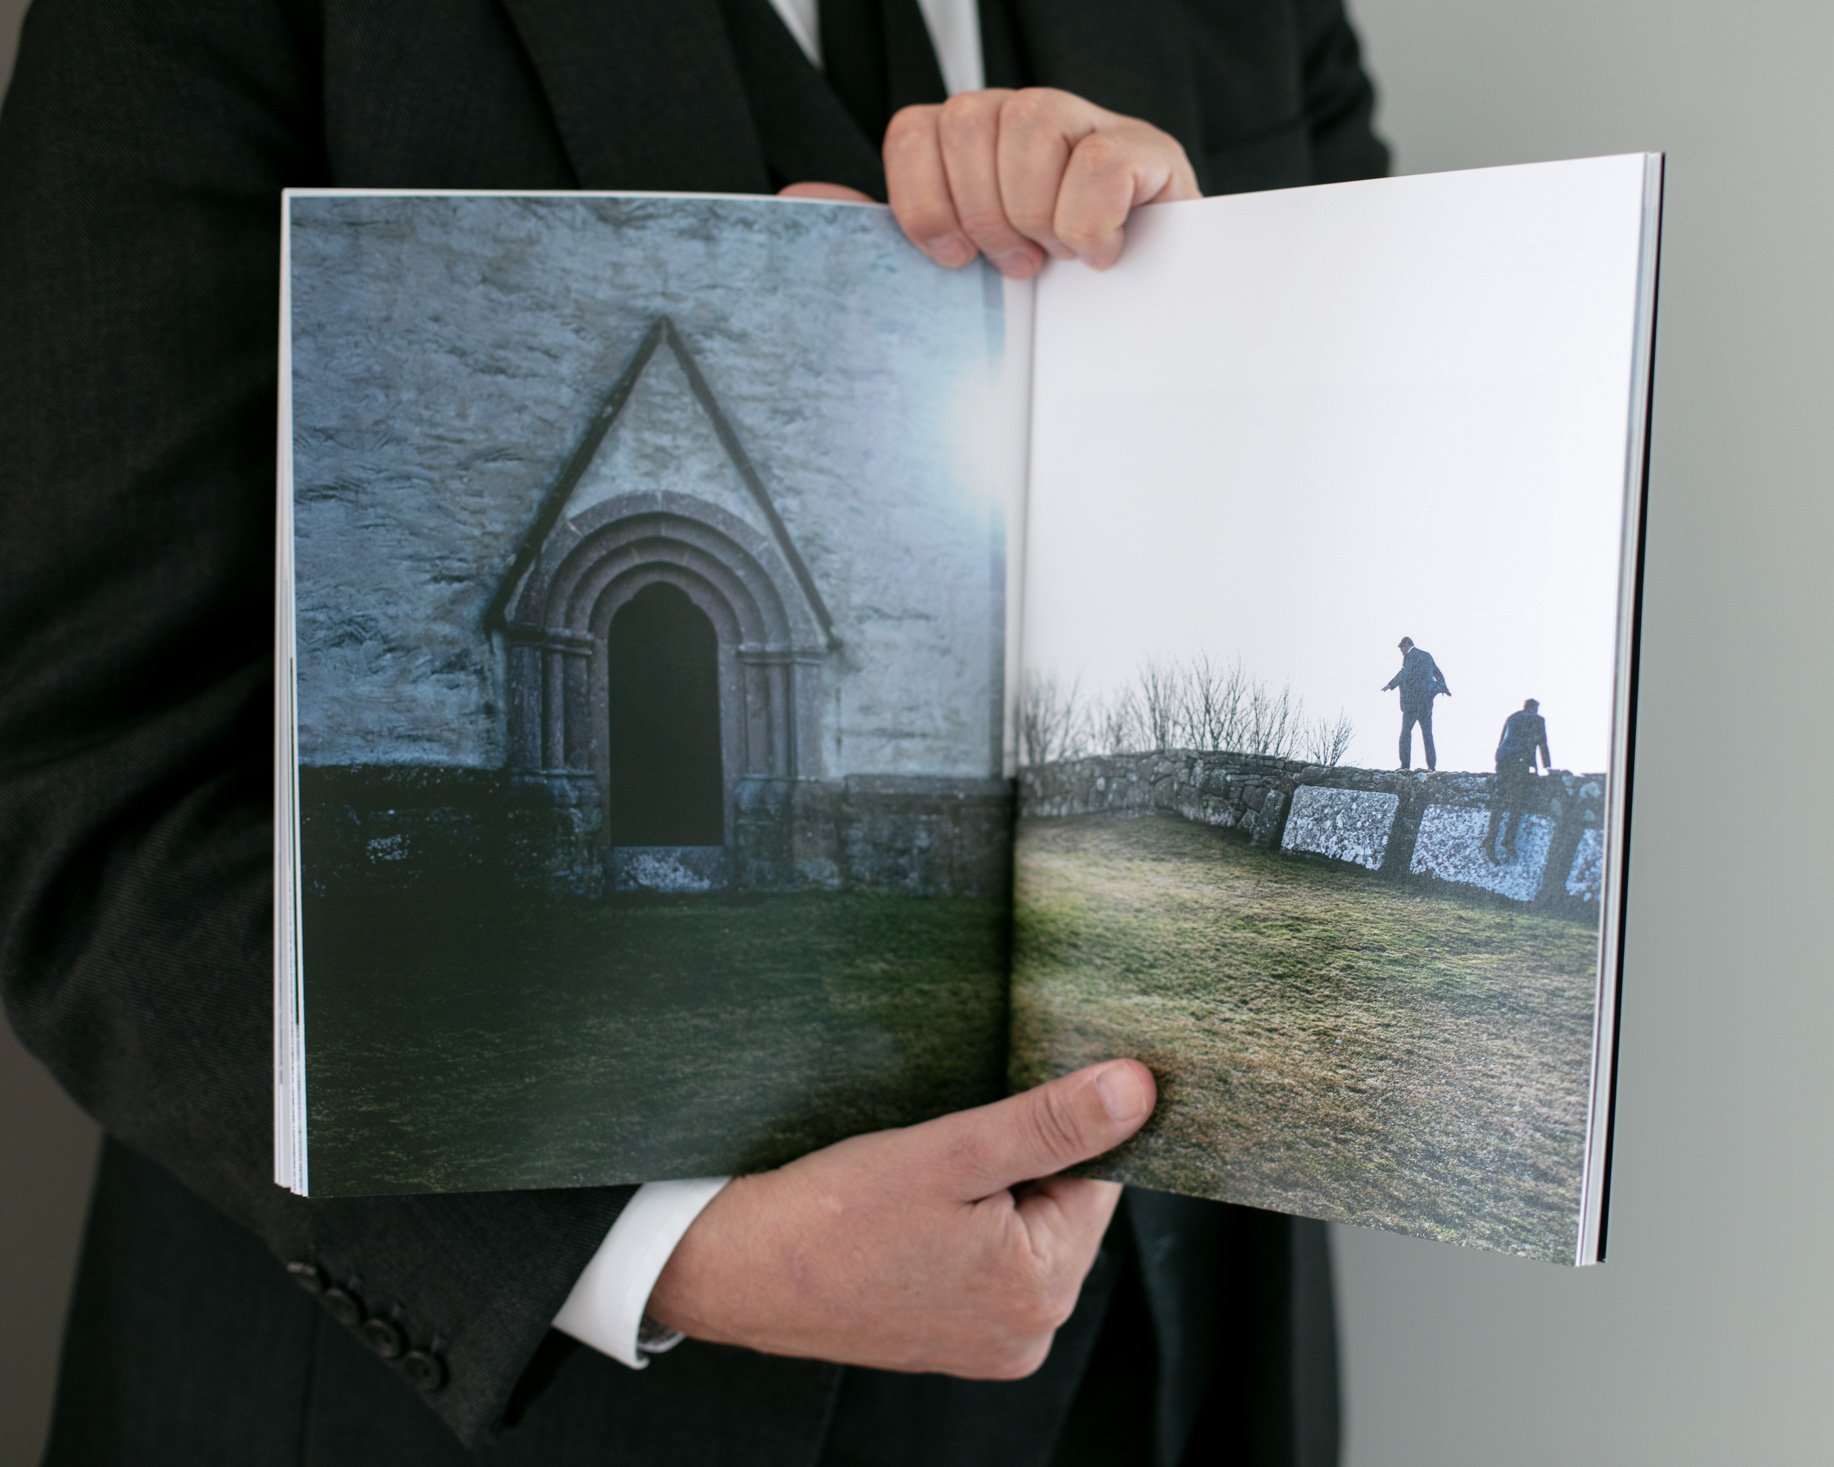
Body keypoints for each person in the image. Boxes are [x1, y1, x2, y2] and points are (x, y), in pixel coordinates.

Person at [0, 2, 1386, 1462]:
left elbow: (1352, 529)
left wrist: (1193, 310)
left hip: (1162, 1367)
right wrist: (654, 1242)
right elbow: (79, 771)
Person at [1489, 698, 1552, 862]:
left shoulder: (1512, 717)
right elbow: (1540, 744)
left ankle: (1490, 839)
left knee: (1499, 800)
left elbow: (1502, 740)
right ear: (1535, 708)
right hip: (1519, 763)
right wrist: (1547, 768)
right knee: (1517, 802)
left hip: (1502, 760)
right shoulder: (1537, 719)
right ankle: (1508, 840)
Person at [1381, 636, 1451, 771]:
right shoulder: (1426, 656)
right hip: (1426, 703)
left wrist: (1390, 685)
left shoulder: (1410, 656)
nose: (1401, 652)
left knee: (1405, 733)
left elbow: (1404, 673)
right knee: (1428, 734)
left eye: (1401, 649)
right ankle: (1432, 767)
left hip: (1412, 704)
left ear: (1407, 645)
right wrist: (1444, 688)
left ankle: (1405, 766)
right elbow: (1438, 673)